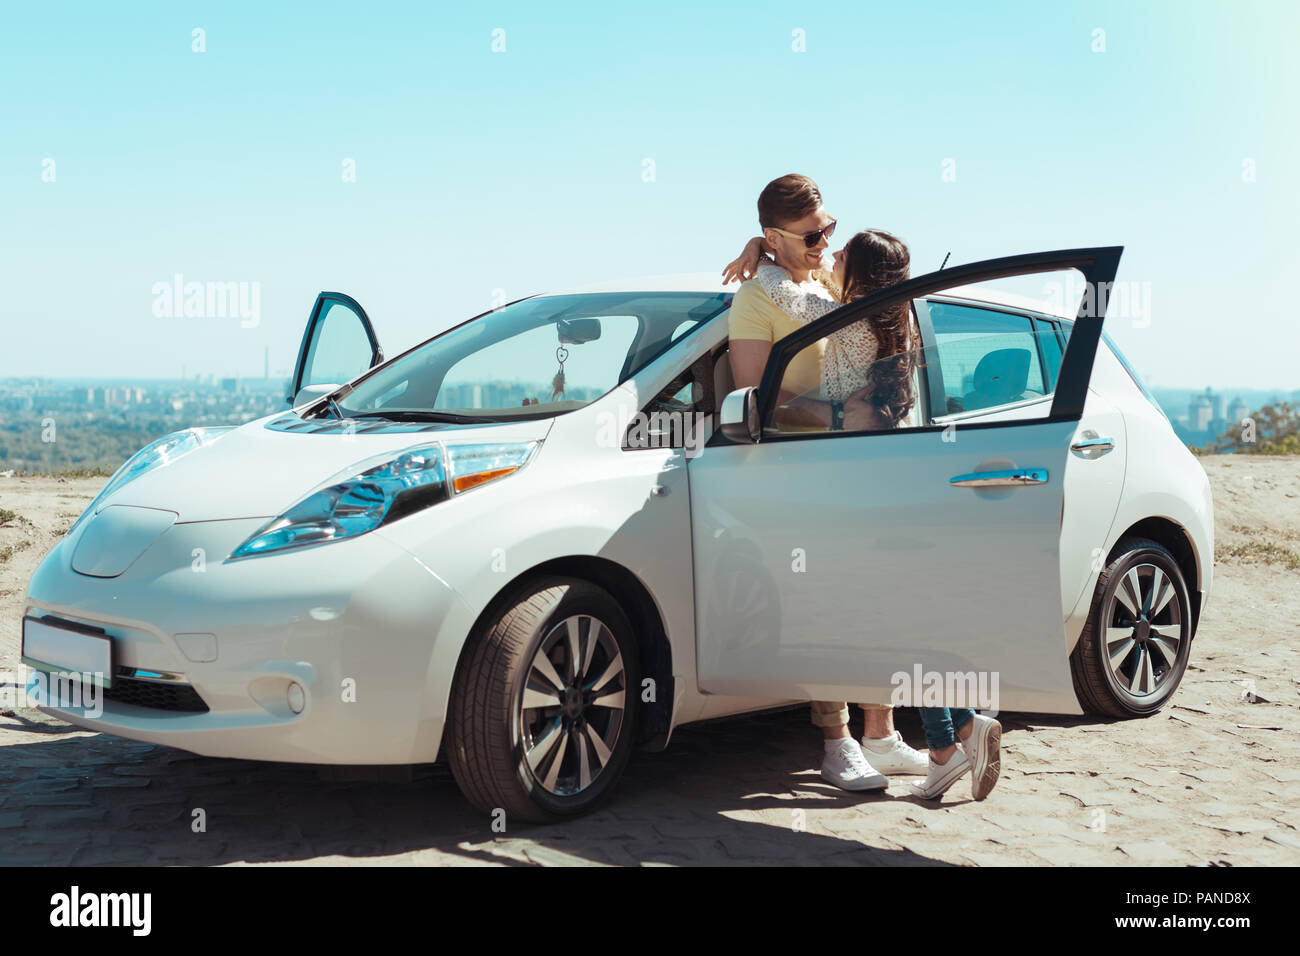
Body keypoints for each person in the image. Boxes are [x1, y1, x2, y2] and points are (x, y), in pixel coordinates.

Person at [721, 175, 926, 792]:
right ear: (777, 235)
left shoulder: (830, 283)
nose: (825, 242)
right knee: (831, 608)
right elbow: (754, 400)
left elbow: (880, 306)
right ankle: (837, 743)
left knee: (878, 601)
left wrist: (762, 250)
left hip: (869, 471)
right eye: (813, 235)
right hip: (805, 473)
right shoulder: (757, 300)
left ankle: (882, 736)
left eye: (829, 229)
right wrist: (839, 414)